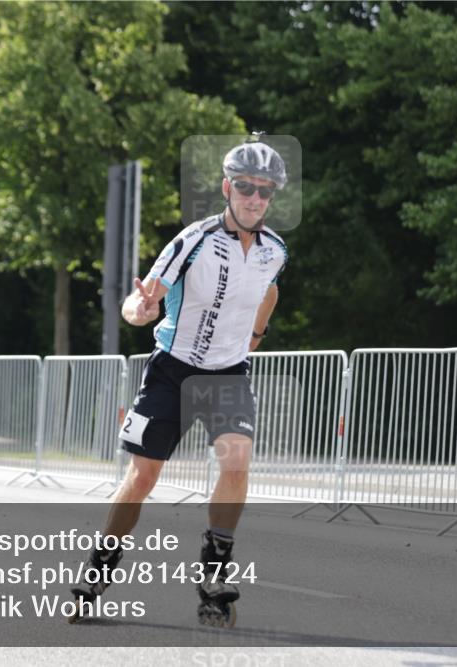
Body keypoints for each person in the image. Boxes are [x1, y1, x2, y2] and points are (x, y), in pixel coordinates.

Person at [69, 139, 289, 627]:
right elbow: (141, 299)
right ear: (229, 188)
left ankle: (213, 575)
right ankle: (100, 567)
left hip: (227, 373)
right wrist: (140, 311)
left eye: (265, 191)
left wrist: (256, 335)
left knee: (237, 461)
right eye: (247, 188)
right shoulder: (194, 239)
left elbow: (268, 291)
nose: (255, 198)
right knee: (144, 476)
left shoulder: (274, 250)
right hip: (173, 369)